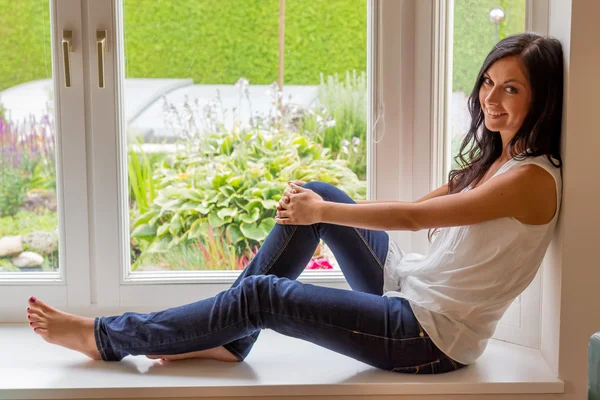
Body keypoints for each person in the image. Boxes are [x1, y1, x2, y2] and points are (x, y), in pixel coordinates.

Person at [25, 32, 563, 375]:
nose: (491, 99)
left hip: (429, 338)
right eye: (489, 83)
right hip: (412, 291)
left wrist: (325, 215)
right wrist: (326, 205)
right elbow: (412, 206)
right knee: (322, 193)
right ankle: (232, 343)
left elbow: (414, 218)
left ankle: (108, 337)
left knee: (266, 292)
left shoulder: (530, 180)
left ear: (541, 96)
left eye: (511, 89)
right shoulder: (497, 159)